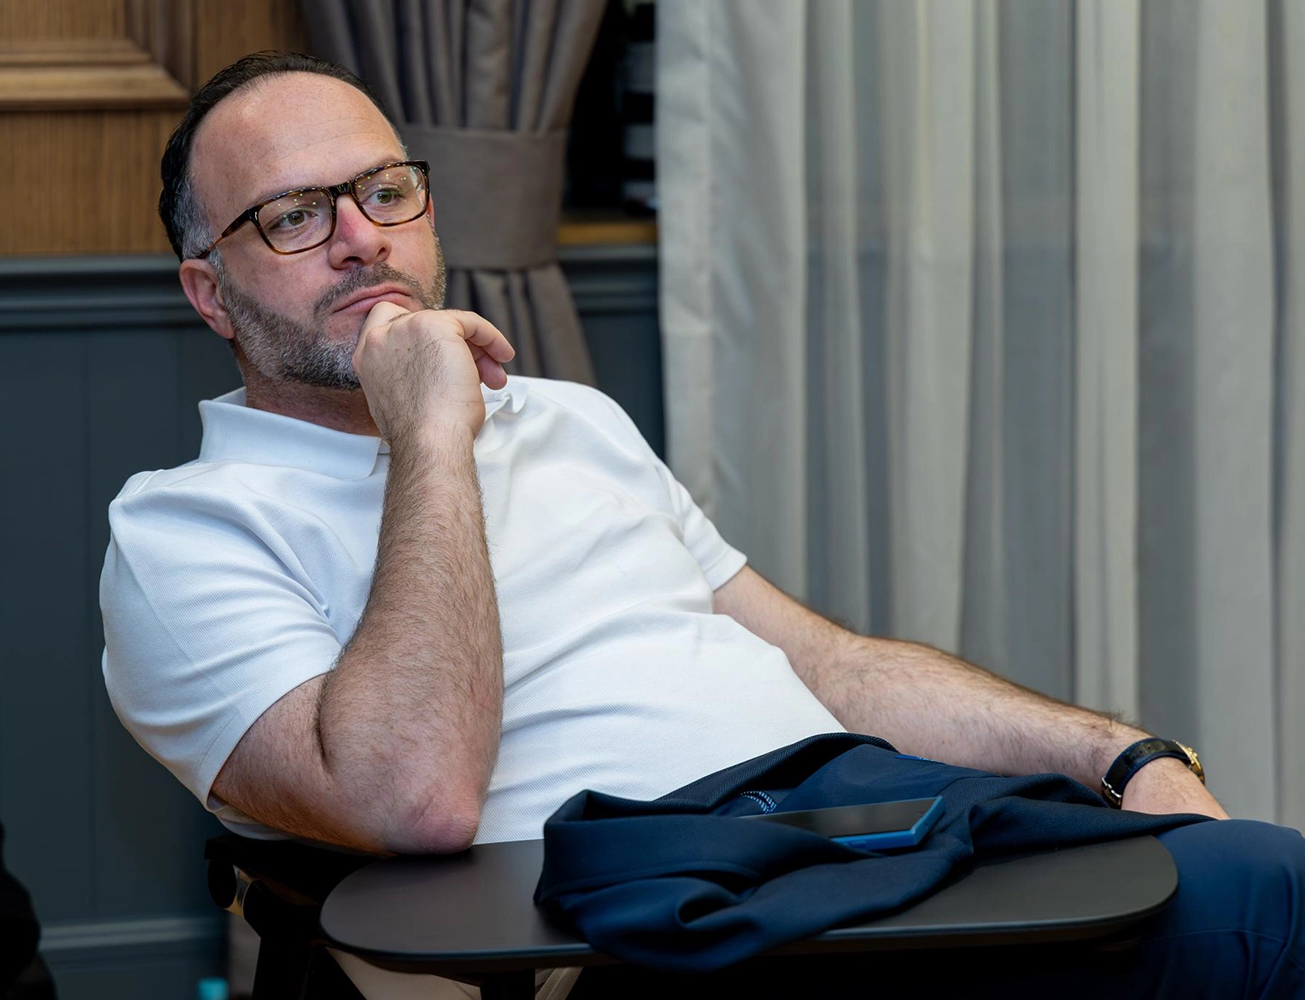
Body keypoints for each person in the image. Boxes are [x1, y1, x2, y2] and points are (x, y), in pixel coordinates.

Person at [100, 52, 1303, 999]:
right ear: (212, 292)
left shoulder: (569, 419)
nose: (363, 238)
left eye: (384, 193)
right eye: (294, 216)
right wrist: (429, 435)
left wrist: (1115, 753)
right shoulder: (183, 534)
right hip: (641, 932)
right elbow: (413, 802)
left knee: (1270, 880)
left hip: (861, 838)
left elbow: (828, 664)